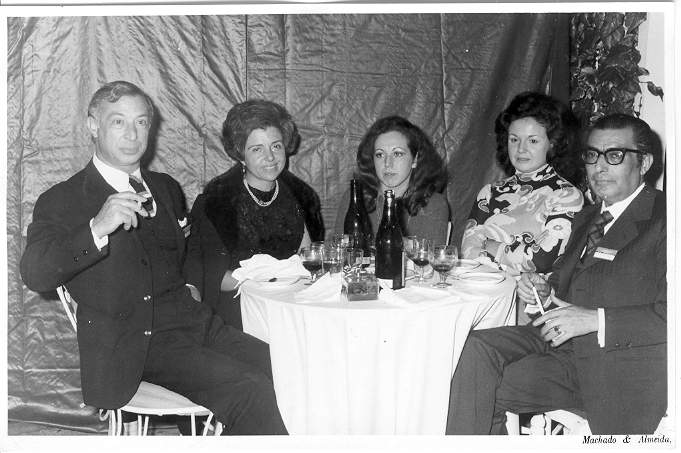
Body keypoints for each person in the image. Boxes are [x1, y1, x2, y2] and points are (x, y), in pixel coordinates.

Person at [20, 81, 288, 435]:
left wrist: (190, 285)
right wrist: (96, 228)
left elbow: (185, 252)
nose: (132, 134)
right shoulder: (63, 199)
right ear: (93, 126)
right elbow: (35, 273)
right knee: (250, 388)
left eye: (141, 122)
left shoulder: (165, 188)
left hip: (197, 326)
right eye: (118, 122)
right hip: (135, 346)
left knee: (291, 368)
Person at [446, 113, 666, 435]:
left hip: (615, 360)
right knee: (470, 349)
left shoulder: (666, 219)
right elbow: (564, 286)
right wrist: (543, 290)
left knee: (479, 385)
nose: (599, 167)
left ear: (644, 163)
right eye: (592, 155)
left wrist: (595, 320)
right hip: (558, 340)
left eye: (614, 156)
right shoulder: (588, 216)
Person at [185, 99, 324, 330]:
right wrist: (262, 281)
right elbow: (210, 275)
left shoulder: (300, 196)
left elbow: (308, 260)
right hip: (235, 310)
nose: (270, 157)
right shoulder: (217, 201)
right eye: (257, 149)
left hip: (290, 305)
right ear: (241, 155)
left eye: (276, 146)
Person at [461, 92, 584, 276]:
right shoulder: (490, 192)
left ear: (553, 143)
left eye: (533, 140)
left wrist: (490, 246)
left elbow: (541, 260)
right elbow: (467, 253)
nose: (521, 149)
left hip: (529, 293)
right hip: (481, 286)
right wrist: (518, 252)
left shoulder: (566, 195)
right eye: (514, 139)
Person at [334, 115, 449, 243]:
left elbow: (431, 254)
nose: (387, 163)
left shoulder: (434, 204)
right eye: (380, 154)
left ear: (415, 159)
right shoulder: (355, 198)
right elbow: (337, 248)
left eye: (397, 153)